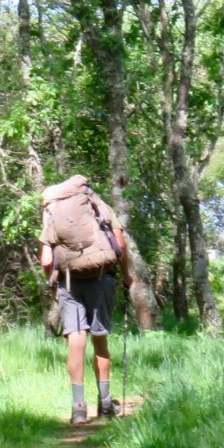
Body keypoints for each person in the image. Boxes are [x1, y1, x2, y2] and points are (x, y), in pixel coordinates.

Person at [39, 175, 140, 425]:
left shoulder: (52, 212)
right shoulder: (99, 206)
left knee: (76, 342)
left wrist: (52, 286)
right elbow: (120, 244)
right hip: (101, 278)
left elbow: (46, 260)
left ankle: (78, 409)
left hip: (69, 282)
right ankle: (105, 405)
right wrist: (127, 276)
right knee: (100, 340)